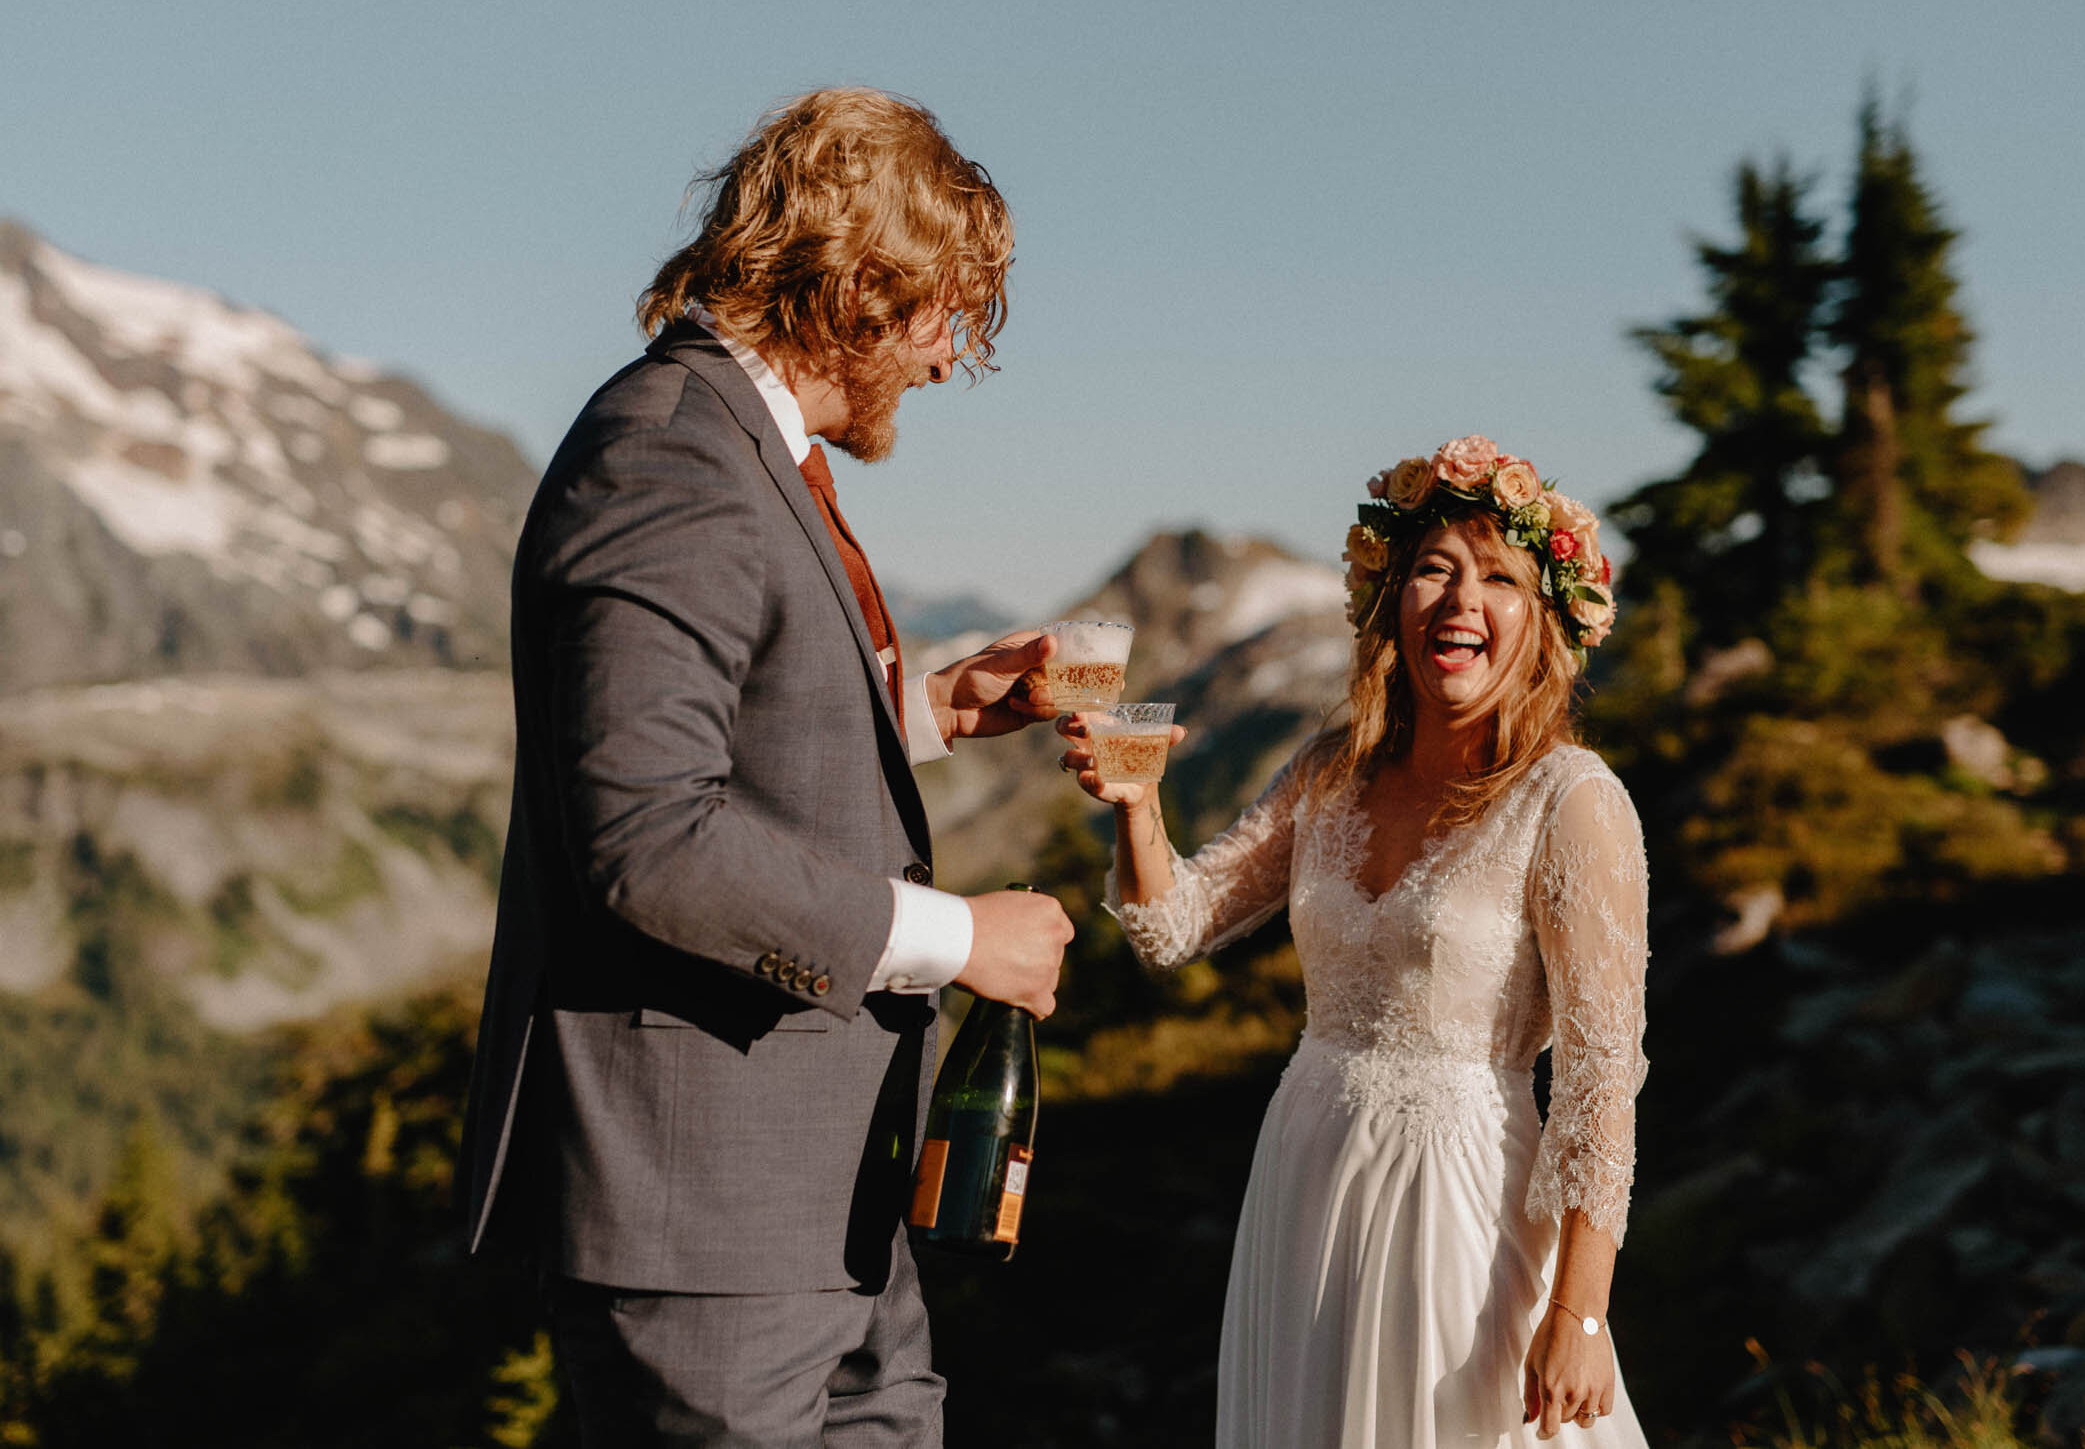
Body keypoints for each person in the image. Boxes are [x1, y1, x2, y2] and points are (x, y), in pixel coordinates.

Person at [458, 88, 1073, 1447]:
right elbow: (648, 836)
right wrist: (958, 937)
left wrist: (934, 706)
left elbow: (734, 730)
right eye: (943, 312)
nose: (947, 354)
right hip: (706, 1225)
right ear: (861, 291)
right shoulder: (672, 452)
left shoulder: (737, 451)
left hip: (825, 1201)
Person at [1059, 435, 1650, 1447]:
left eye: (1499, 578)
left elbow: (1600, 1079)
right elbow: (1174, 923)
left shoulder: (1574, 800)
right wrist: (1134, 802)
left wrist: (1578, 1310)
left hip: (1461, 1192)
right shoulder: (1332, 766)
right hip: (1305, 1167)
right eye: (1432, 568)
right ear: (1390, 601)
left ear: (1542, 620)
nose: (1461, 599)